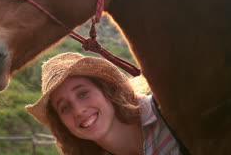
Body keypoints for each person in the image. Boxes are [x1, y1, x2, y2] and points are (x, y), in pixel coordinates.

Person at [25, 52, 183, 155]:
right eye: (64, 107)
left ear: (107, 91)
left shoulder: (169, 113)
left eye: (83, 93)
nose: (78, 111)